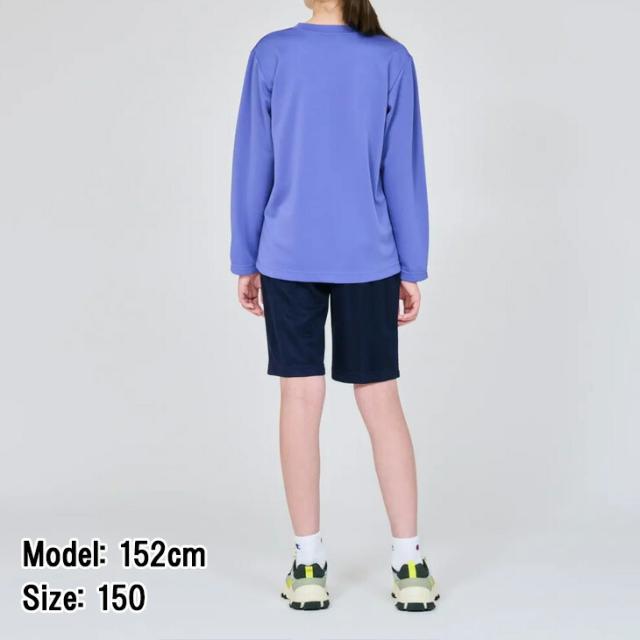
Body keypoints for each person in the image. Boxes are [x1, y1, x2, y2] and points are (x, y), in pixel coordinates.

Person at [230, 0, 437, 612]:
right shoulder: (391, 58)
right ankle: (410, 564)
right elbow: (402, 170)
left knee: (300, 399)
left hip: (287, 253)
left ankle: (308, 563)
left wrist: (246, 256)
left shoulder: (272, 53)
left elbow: (254, 162)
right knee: (381, 400)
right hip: (369, 255)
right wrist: (411, 265)